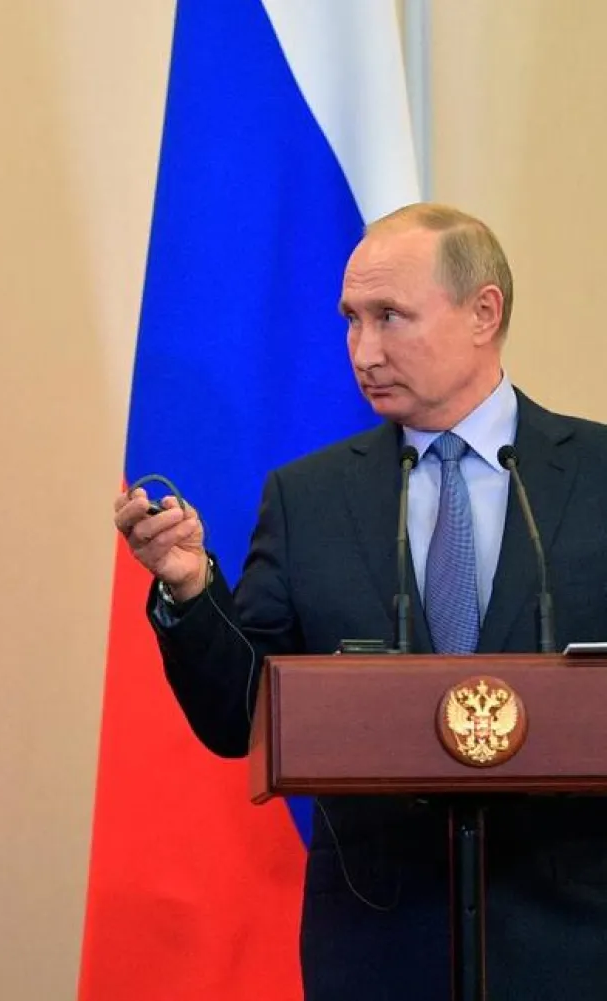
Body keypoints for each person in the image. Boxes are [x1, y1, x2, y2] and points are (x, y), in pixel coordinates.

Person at [115, 203, 607, 1000]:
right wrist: (191, 587)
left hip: (575, 945)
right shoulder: (310, 496)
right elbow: (241, 711)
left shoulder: (597, 477)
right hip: (380, 949)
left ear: (484, 313)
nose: (363, 350)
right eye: (351, 320)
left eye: (389, 317)